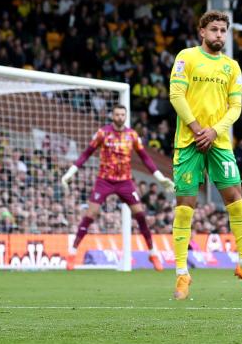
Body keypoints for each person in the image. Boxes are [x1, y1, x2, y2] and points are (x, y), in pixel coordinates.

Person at [168, 11, 242, 299]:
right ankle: (182, 274)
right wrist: (198, 129)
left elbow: (235, 108)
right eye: (214, 30)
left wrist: (213, 131)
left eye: (223, 30)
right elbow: (176, 96)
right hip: (188, 141)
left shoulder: (232, 67)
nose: (219, 35)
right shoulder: (186, 57)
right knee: (186, 205)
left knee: (235, 199)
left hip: (219, 143)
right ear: (202, 32)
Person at [61, 105, 173, 271]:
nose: (120, 117)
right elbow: (86, 154)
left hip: (125, 182)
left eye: (123, 114)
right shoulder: (102, 133)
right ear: (112, 116)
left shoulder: (132, 135)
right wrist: (70, 172)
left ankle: (153, 253)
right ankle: (72, 252)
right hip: (104, 180)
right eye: (117, 114)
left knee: (140, 215)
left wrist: (160, 177)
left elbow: (145, 158)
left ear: (125, 116)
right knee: (91, 214)